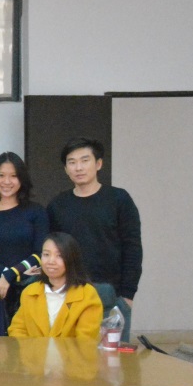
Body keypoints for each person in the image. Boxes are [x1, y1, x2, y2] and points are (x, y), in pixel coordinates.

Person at [46, 138, 142, 341]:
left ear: (98, 164)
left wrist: (127, 295)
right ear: (66, 169)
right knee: (69, 355)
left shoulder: (119, 199)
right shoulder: (57, 205)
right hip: (69, 292)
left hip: (110, 293)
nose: (78, 167)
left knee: (111, 357)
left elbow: (132, 248)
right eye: (72, 162)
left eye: (85, 160)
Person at [0, 152, 50, 336]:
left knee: (30, 346)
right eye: (1, 175)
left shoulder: (36, 212)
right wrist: (6, 276)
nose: (7, 181)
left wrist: (10, 275)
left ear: (22, 179)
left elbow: (40, 252)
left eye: (13, 176)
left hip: (30, 285)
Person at [8, 232, 105, 340]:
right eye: (46, 254)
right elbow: (17, 329)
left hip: (73, 352)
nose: (51, 261)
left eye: (59, 256)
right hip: (33, 351)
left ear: (72, 259)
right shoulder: (30, 292)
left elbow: (85, 341)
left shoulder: (87, 294)